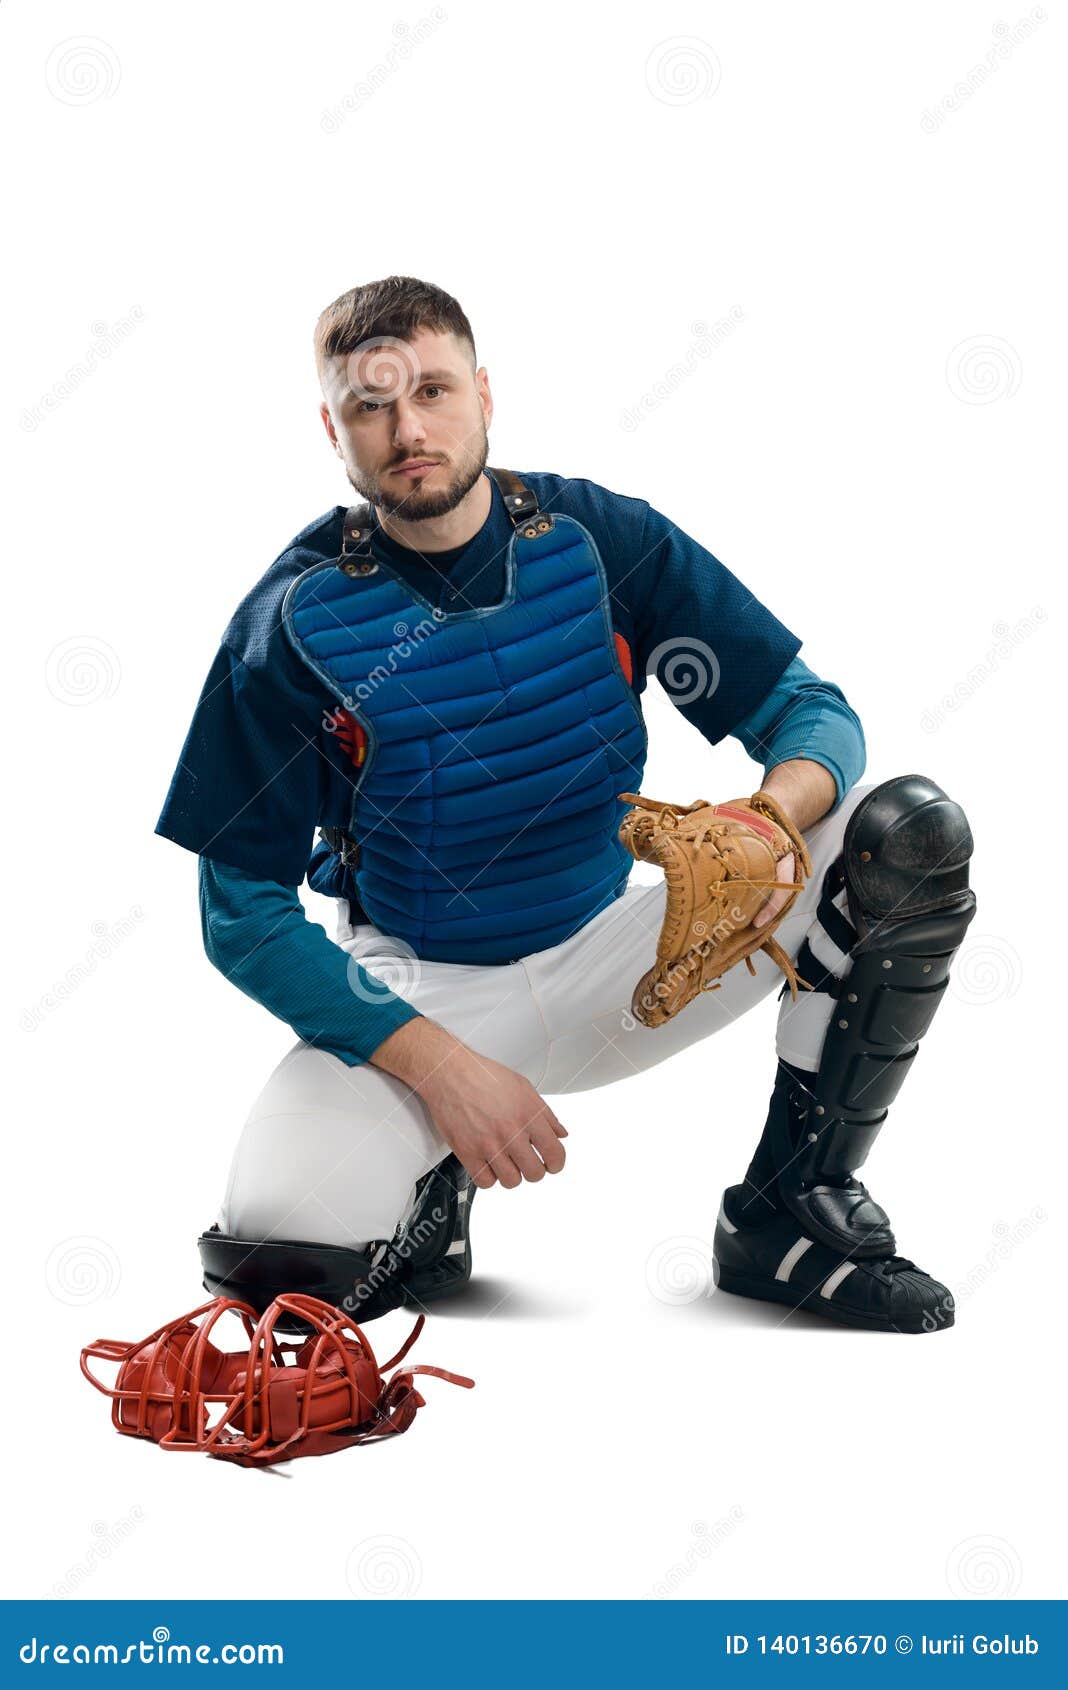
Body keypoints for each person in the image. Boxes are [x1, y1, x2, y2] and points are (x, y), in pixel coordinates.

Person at [156, 275, 975, 1336]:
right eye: (371, 406)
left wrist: (767, 817)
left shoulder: (599, 540)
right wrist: (443, 1070)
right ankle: (426, 1195)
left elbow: (808, 711)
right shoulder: (292, 622)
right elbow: (240, 914)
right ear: (333, 429)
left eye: (435, 392)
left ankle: (787, 1214)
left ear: (486, 393)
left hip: (628, 954)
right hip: (422, 990)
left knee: (897, 828)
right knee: (279, 1255)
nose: (410, 430)